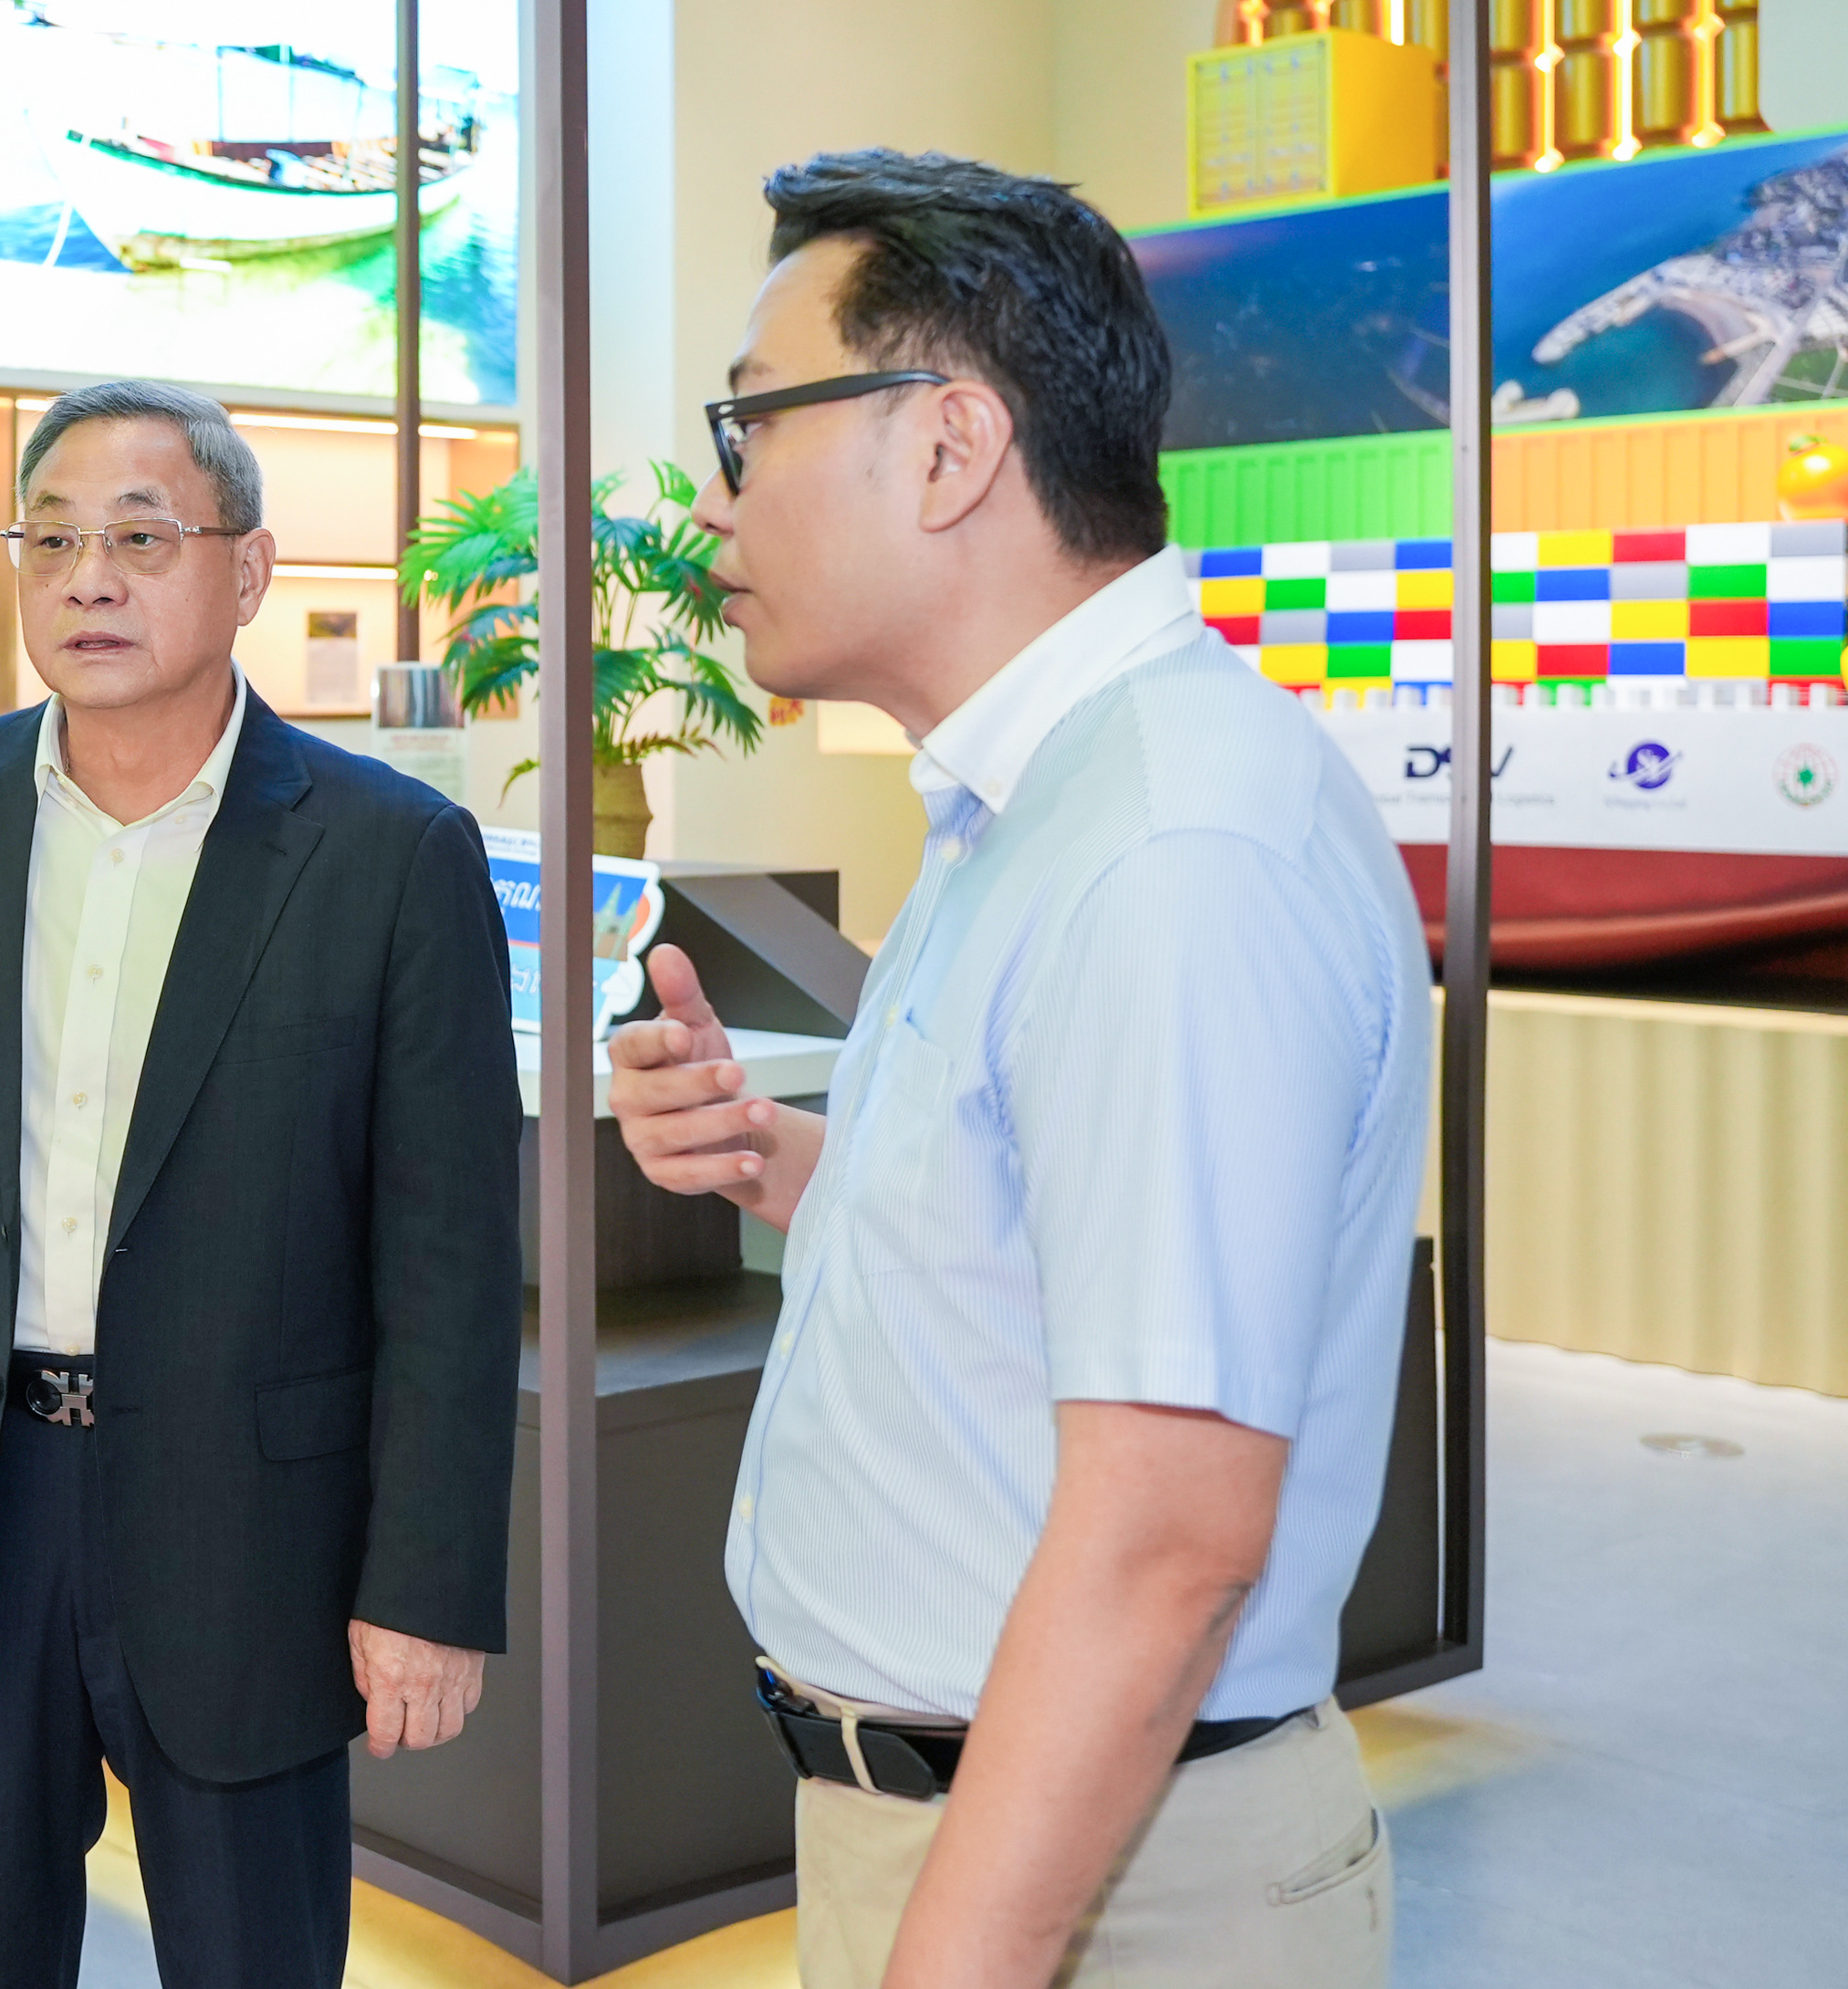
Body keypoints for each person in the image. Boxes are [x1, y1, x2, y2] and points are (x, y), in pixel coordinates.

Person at [608, 151, 1428, 1989]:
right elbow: (1060, 1254)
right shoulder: (1039, 805)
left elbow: (1165, 1542)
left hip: (1096, 1880)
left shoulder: (1164, 848)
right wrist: (779, 1160)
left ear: (947, 447)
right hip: (992, 1833)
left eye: (749, 427)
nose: (714, 505)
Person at [0, 379, 522, 1989]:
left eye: (140, 539)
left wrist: (428, 1585)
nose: (88, 579)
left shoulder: (389, 853)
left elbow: (449, 1263)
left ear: (248, 570)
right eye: (51, 541)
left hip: (250, 1527)